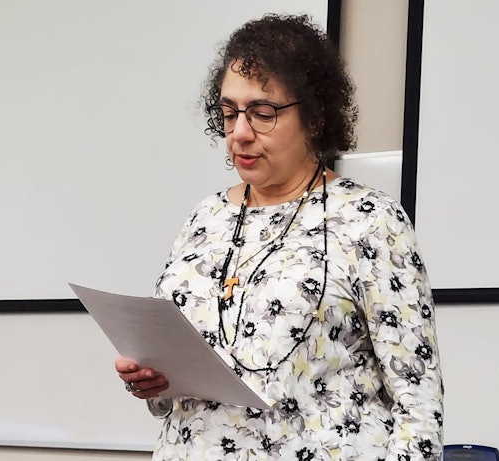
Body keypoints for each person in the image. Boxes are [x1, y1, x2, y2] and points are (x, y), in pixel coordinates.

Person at [114, 14, 443, 460]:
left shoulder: (369, 219)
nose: (240, 134)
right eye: (229, 113)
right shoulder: (205, 217)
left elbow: (417, 403)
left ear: (314, 116)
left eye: (262, 113)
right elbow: (171, 394)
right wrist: (152, 380)